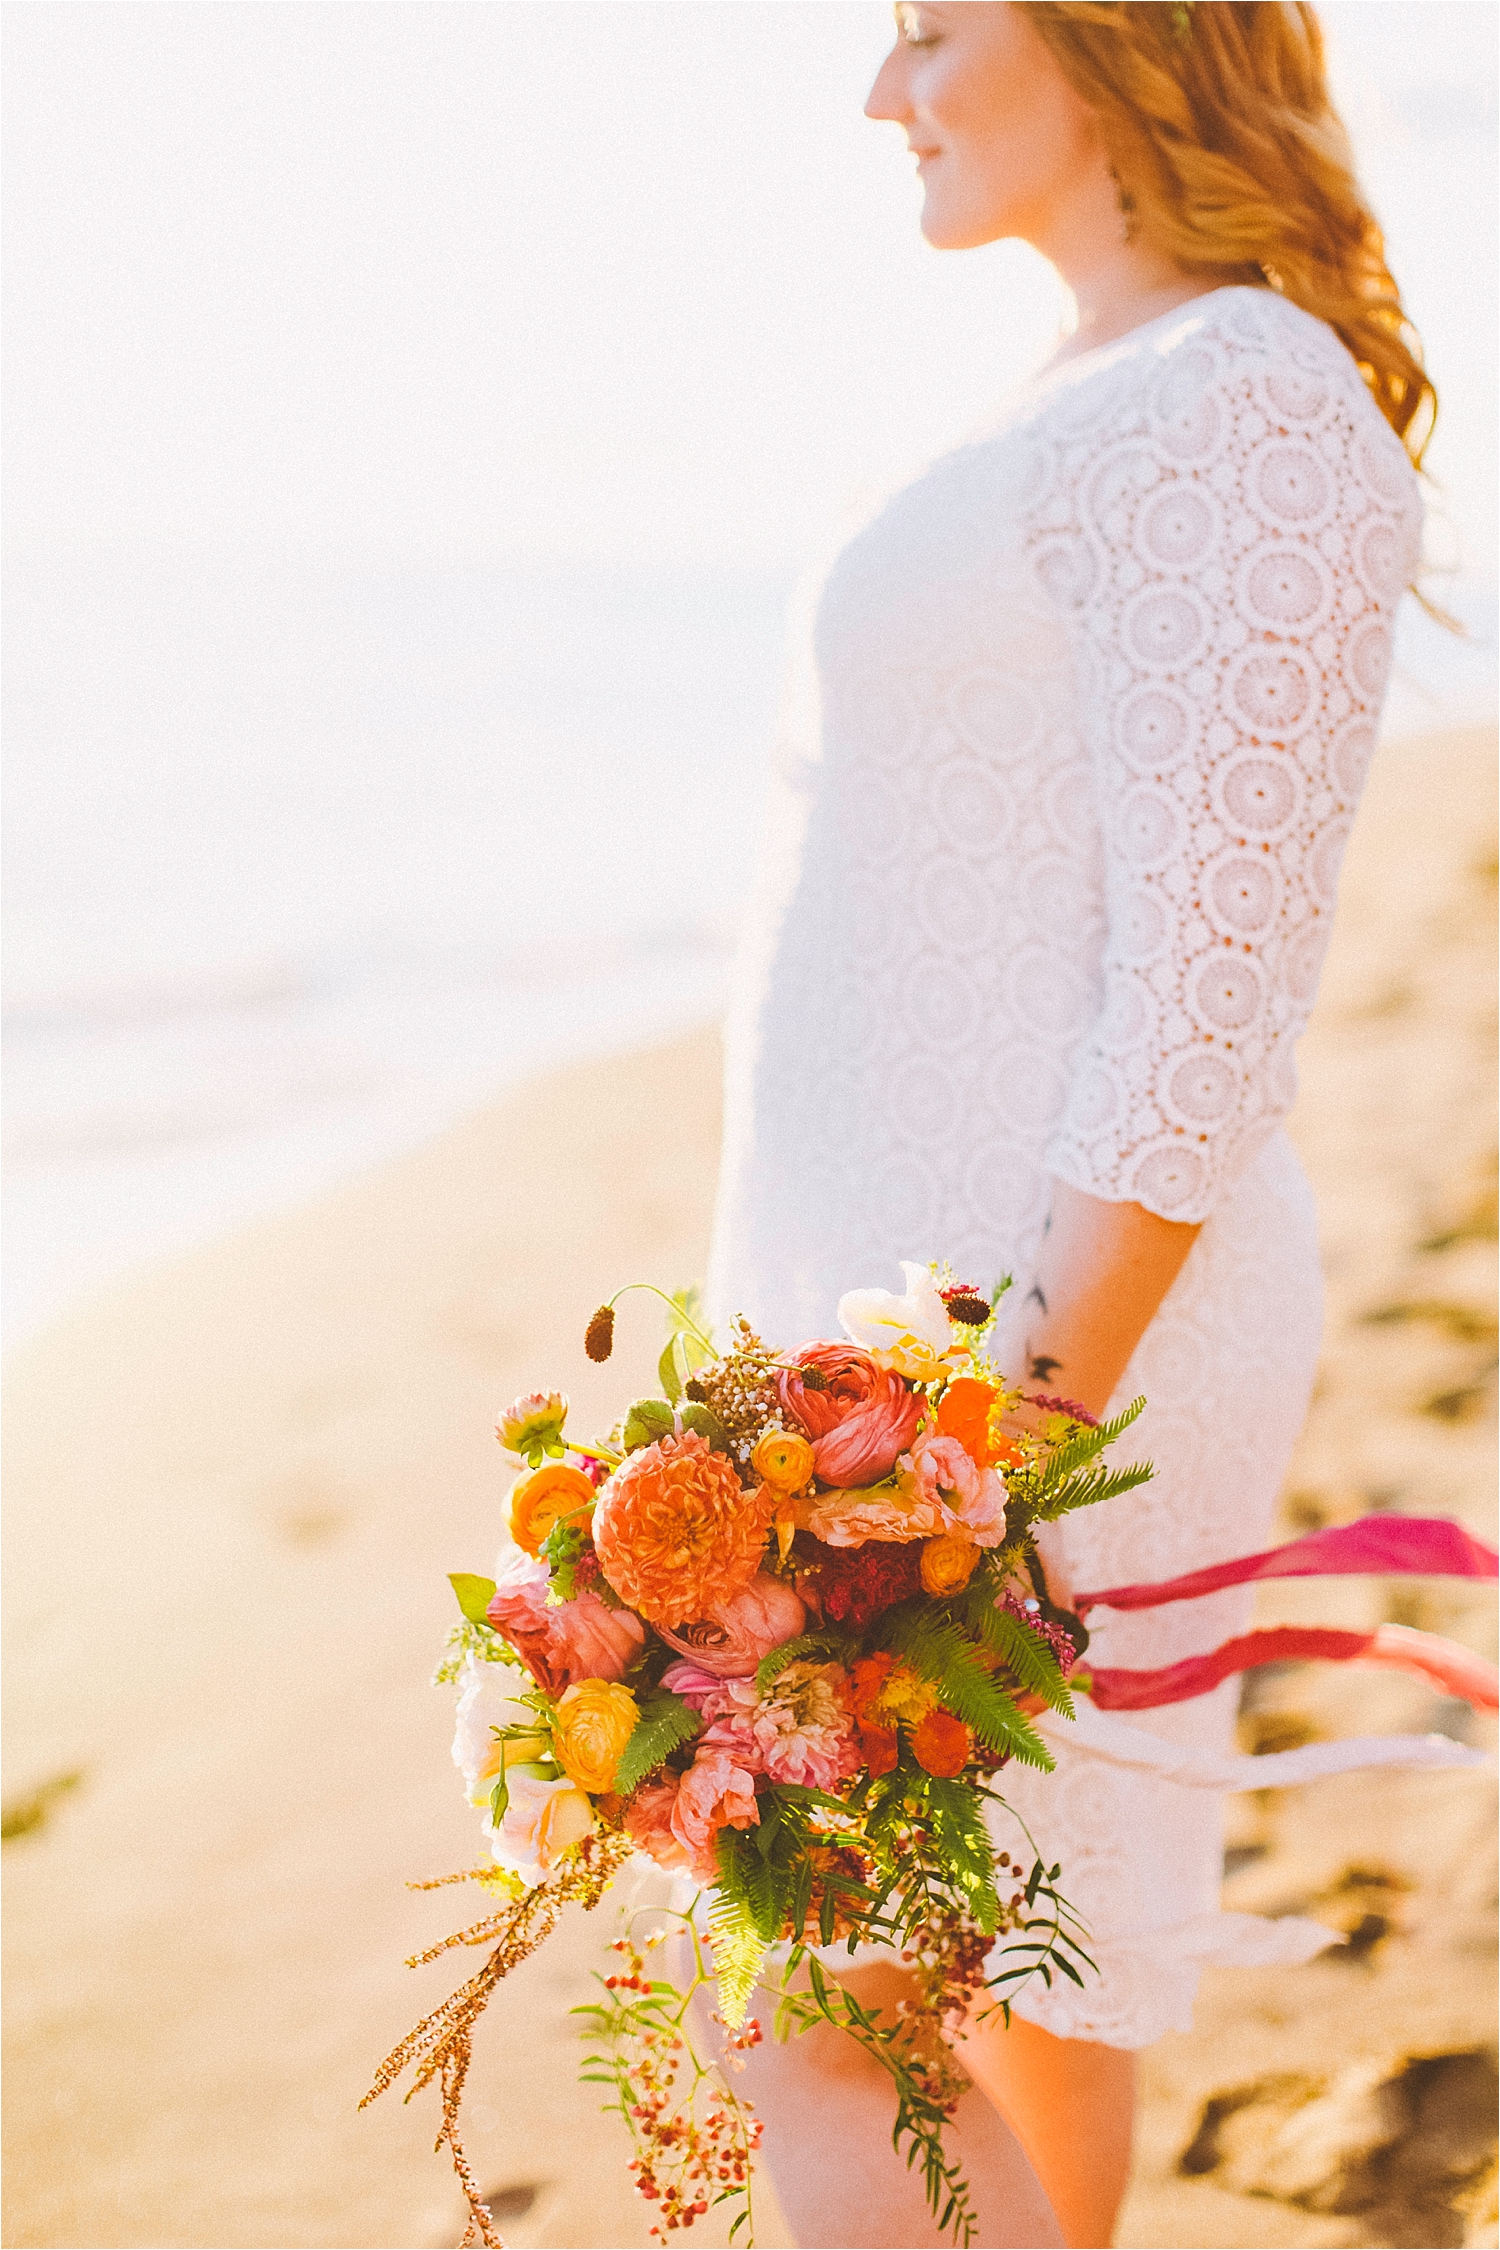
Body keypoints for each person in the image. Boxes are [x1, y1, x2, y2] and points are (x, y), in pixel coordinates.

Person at [702, 5, 1431, 2245]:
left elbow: (1208, 1006)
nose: (877, 89)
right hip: (912, 1363)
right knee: (998, 2026)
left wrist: (994, 1442)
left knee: (817, 2014)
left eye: (928, 23)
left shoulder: (1236, 406)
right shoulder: (1105, 390)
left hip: (1021, 1371)